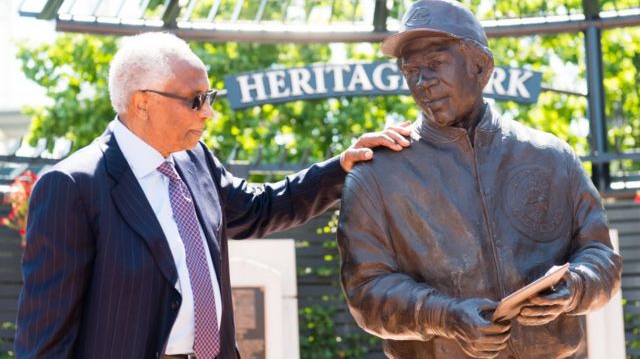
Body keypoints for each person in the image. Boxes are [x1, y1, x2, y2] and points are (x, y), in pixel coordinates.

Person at [14, 32, 412, 358]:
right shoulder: (73, 186)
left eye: (211, 97)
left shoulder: (194, 160)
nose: (208, 113)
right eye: (195, 100)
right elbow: (46, 337)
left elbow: (259, 209)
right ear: (142, 102)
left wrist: (342, 165)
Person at [337, 0, 622, 358]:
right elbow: (365, 290)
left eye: (436, 64)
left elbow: (601, 257)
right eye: (412, 71)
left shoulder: (552, 157)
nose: (423, 82)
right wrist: (445, 315)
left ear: (480, 67)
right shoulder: (376, 176)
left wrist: (575, 287)